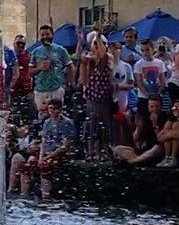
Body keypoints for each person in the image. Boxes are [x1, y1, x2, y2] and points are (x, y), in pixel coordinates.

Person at [18, 98, 75, 199]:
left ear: (60, 109)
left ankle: (46, 196)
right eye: (50, 108)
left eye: (55, 109)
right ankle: (24, 195)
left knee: (45, 169)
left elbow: (65, 146)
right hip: (46, 153)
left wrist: (47, 157)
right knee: (27, 168)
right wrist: (41, 156)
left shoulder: (67, 123)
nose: (52, 111)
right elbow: (44, 141)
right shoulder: (47, 122)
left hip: (59, 154)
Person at [78, 33, 114, 161]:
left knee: (104, 125)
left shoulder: (108, 57)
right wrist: (81, 43)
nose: (96, 47)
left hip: (104, 97)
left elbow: (102, 56)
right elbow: (80, 59)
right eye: (94, 44)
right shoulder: (88, 59)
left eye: (99, 44)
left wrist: (98, 37)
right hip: (91, 96)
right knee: (91, 124)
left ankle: (104, 151)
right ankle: (91, 151)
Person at [30, 24, 74, 116]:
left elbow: (70, 66)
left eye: (47, 34)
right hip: (40, 90)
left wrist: (69, 82)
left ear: (52, 35)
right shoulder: (35, 52)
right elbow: (30, 72)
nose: (45, 37)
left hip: (56, 89)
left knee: (57, 115)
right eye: (42, 35)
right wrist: (40, 68)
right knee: (42, 115)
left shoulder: (60, 50)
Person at [114, 95, 168, 166]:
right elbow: (135, 140)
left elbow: (160, 140)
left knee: (156, 148)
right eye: (151, 107)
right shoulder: (145, 118)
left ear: (161, 106)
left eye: (157, 106)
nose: (154, 109)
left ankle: (132, 161)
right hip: (146, 149)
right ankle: (137, 160)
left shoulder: (165, 118)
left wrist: (155, 124)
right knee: (118, 148)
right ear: (148, 107)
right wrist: (139, 127)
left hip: (158, 149)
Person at [155, 99, 179, 168]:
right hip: (172, 145)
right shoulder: (171, 119)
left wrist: (168, 135)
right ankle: (167, 158)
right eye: (174, 107)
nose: (176, 109)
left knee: (176, 125)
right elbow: (160, 136)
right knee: (171, 132)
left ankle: (173, 157)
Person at [134, 39, 166, 116]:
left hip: (157, 95)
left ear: (153, 49)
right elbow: (139, 82)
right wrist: (147, 95)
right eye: (142, 50)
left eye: (147, 50)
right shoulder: (139, 64)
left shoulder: (159, 63)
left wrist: (158, 93)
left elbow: (162, 80)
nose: (145, 53)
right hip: (143, 97)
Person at [9, 34, 35, 125]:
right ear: (14, 44)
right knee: (13, 117)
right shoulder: (9, 56)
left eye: (22, 44)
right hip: (13, 92)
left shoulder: (29, 56)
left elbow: (34, 73)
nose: (20, 46)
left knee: (29, 117)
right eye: (18, 43)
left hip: (27, 92)